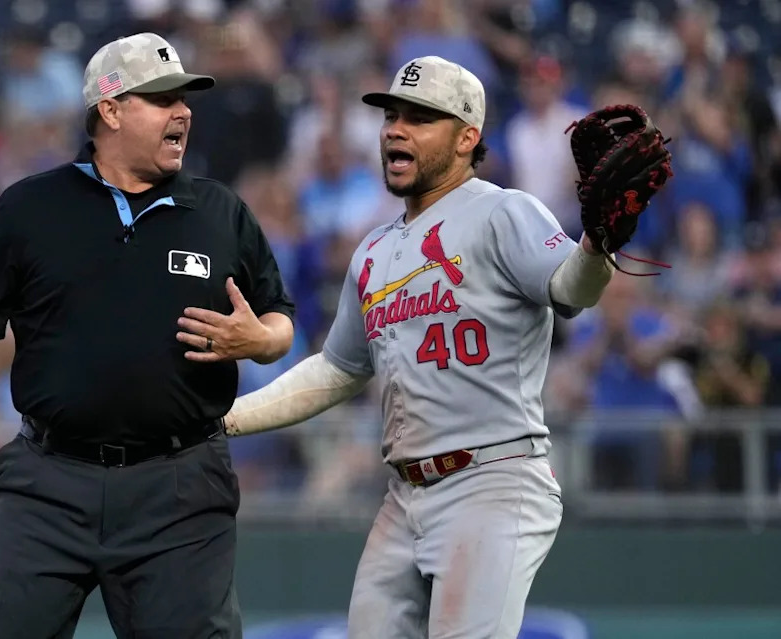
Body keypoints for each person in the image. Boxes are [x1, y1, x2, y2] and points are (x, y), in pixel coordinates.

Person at [0, 32, 295, 639]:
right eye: (161, 98)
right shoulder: (31, 207)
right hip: (49, 484)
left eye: (185, 98)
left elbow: (279, 319)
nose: (182, 111)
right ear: (110, 108)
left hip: (178, 487)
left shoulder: (219, 211)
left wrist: (260, 342)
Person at [217, 56, 616, 638]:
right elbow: (337, 368)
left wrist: (598, 242)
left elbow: (571, 289)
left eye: (421, 118)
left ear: (466, 137)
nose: (396, 129)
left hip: (493, 479)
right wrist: (225, 418)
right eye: (392, 116)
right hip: (404, 495)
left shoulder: (504, 211)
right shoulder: (374, 250)